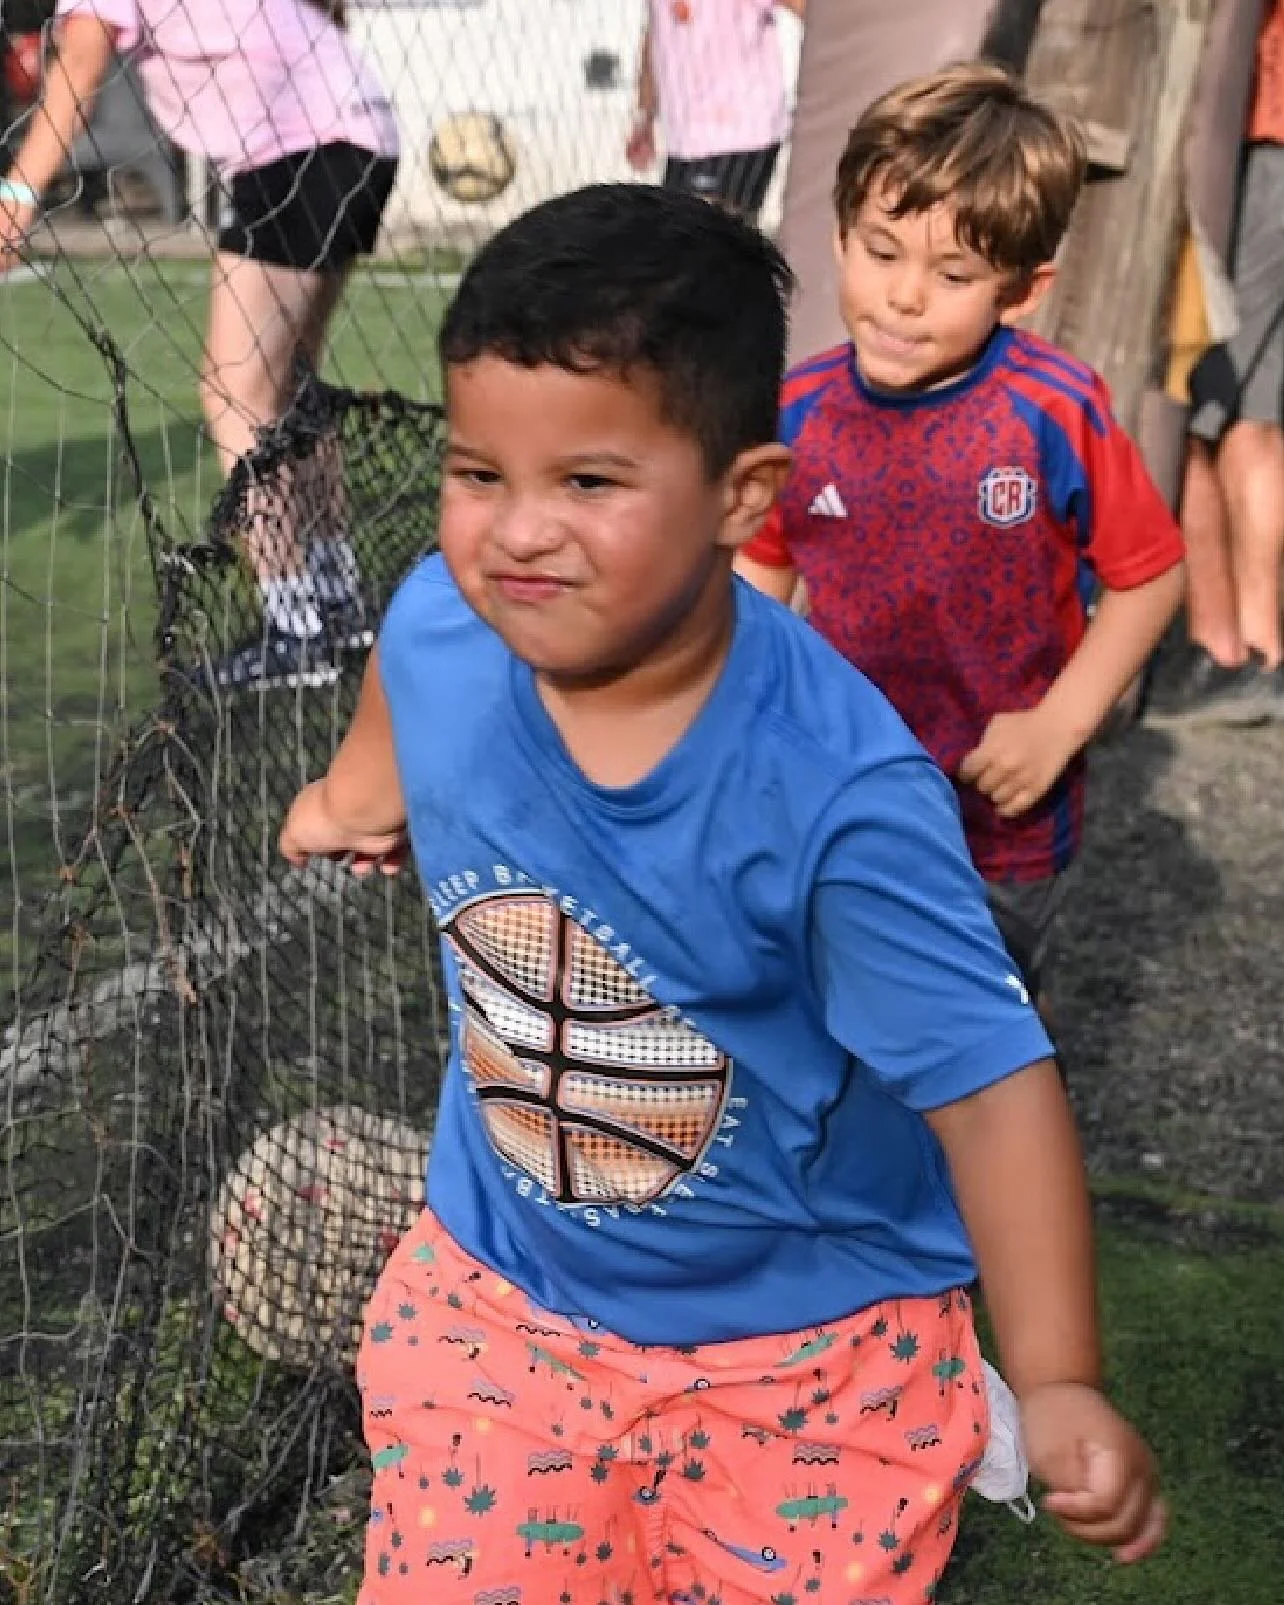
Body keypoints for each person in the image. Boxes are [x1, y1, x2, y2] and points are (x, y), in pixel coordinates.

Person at [279, 183, 1165, 1605]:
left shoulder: (838, 794)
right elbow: (397, 711)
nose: (514, 533)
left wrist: (1058, 1376)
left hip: (807, 1345)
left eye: (588, 482)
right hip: (505, 1305)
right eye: (478, 472)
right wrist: (346, 806)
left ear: (743, 497)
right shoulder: (446, 618)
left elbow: (994, 1090)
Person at [735, 63, 1186, 1013]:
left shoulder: (1053, 410)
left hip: (1002, 826)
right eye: (881, 250)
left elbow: (1150, 576)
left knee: (978, 1059)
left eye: (952, 274)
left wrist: (1060, 726)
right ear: (839, 238)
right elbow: (760, 577)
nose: (903, 296)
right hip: (839, 804)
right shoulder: (799, 411)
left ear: (1020, 292)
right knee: (838, 1036)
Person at [0, 0, 400, 691]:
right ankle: (338, 598)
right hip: (362, 135)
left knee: (232, 389)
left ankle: (295, 625)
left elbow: (82, 63)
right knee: (290, 379)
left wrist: (16, 195)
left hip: (298, 151)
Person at [1152, 0, 1284, 727]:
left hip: (1262, 141)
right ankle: (1262, 648)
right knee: (1255, 419)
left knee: (1196, 410)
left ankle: (1221, 644)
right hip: (1267, 146)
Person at [626, 0, 804, 225]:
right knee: (678, 242)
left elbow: (811, 13)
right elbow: (657, 33)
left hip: (739, 132)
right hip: (683, 141)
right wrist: (645, 116)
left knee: (701, 242)